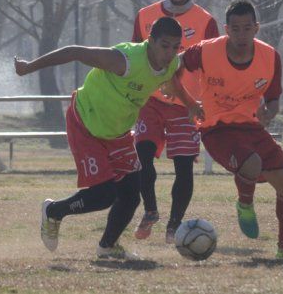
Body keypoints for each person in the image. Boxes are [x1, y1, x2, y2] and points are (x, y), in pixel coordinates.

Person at [15, 17, 199, 260]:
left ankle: (107, 247)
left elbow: (171, 79)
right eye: (165, 45)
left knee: (131, 196)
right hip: (86, 123)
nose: (170, 53)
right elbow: (75, 52)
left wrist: (190, 105)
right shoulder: (124, 60)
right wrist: (29, 67)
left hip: (118, 133)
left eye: (176, 47)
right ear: (150, 41)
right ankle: (53, 211)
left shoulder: (171, 63)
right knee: (104, 194)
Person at [181, 0, 283, 259]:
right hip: (216, 129)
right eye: (235, 28)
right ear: (226, 29)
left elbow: (274, 97)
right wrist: (186, 100)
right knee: (252, 163)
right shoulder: (206, 50)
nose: (241, 34)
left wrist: (271, 111)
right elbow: (176, 63)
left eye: (246, 28)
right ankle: (245, 204)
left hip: (252, 128)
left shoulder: (270, 56)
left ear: (256, 28)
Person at [131, 0, 219, 242]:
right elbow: (133, 58)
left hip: (186, 105)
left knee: (183, 166)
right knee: (142, 156)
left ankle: (174, 226)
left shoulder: (206, 21)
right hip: (151, 102)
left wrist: (207, 103)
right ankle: (151, 211)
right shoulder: (145, 15)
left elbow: (213, 64)